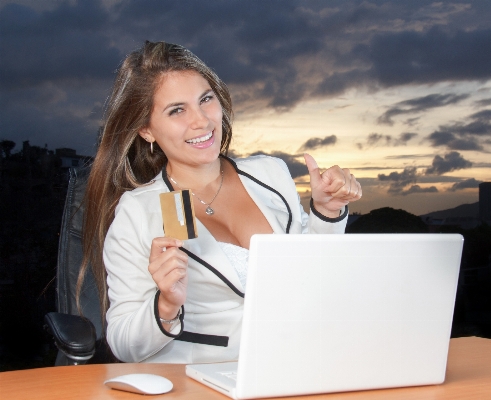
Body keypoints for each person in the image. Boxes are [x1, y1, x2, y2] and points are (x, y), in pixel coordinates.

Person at [78, 41, 361, 364]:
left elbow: (311, 272)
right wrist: (166, 305)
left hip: (293, 363)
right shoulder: (138, 211)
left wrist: (326, 212)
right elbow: (124, 343)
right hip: (198, 380)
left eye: (206, 99)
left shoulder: (270, 173)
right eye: (177, 110)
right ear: (146, 129)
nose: (201, 121)